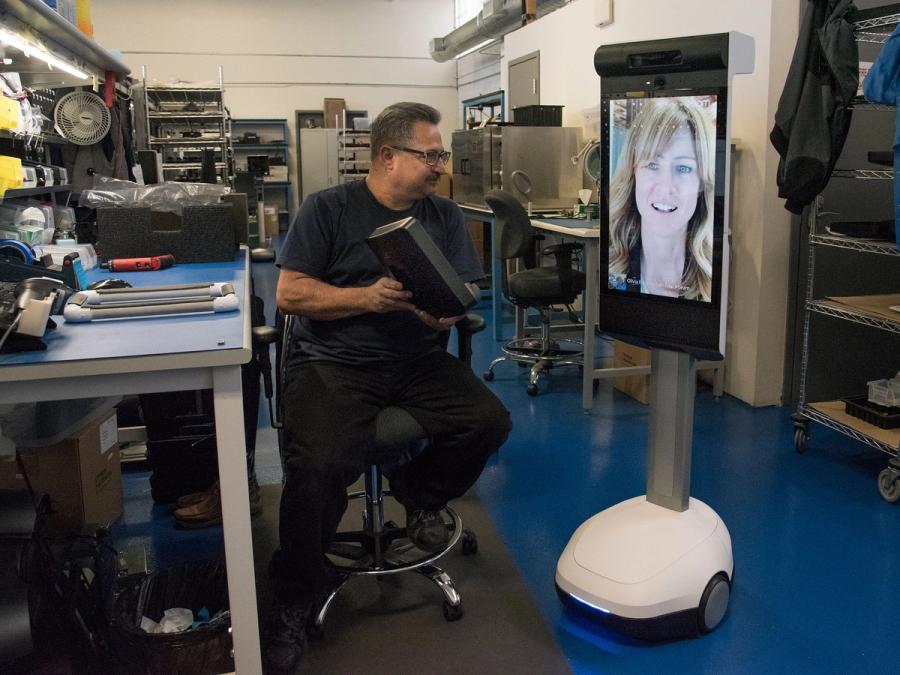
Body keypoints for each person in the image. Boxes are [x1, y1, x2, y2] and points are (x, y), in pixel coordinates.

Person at [265, 102, 512, 672]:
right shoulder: (326, 209)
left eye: (441, 155)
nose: (440, 166)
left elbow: (460, 295)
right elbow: (290, 294)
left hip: (416, 359)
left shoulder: (444, 216)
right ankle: (295, 593)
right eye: (431, 155)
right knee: (319, 465)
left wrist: (440, 312)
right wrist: (363, 297)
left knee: (488, 421)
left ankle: (418, 495)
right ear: (387, 156)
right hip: (334, 361)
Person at [607, 97, 715, 302]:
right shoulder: (612, 270)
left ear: (702, 182)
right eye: (652, 165)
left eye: (683, 168)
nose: (666, 187)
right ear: (633, 172)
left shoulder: (713, 279)